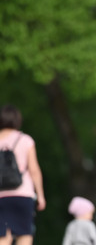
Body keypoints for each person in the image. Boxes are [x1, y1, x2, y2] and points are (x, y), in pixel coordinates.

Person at [0, 104, 46, 245]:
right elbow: (34, 170)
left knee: (3, 238)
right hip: (22, 194)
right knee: (24, 235)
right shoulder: (25, 140)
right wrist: (41, 195)